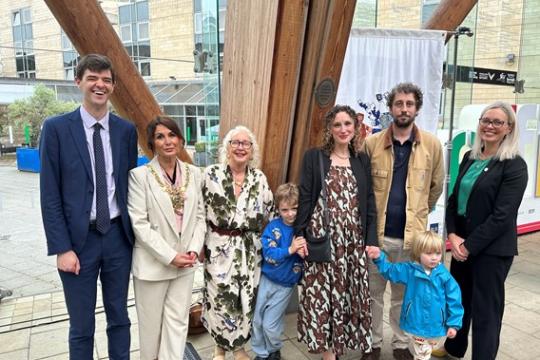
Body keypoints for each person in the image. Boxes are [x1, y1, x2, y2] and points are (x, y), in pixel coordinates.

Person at [40, 54, 138, 360]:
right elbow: (49, 195)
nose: (100, 84)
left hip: (117, 240)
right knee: (81, 326)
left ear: (113, 86)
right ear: (78, 81)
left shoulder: (125, 131)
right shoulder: (56, 128)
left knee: (119, 318)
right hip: (77, 244)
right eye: (93, 78)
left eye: (106, 80)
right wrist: (61, 248)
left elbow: (129, 186)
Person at [432, 101, 528, 359]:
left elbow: (502, 215)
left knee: (487, 310)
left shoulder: (514, 165)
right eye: (486, 120)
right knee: (459, 302)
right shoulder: (469, 157)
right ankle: (454, 347)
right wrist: (453, 236)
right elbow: (453, 201)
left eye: (497, 122)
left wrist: (468, 246)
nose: (490, 126)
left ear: (508, 128)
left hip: (492, 250)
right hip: (462, 243)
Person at [362, 82, 444, 360]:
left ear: (417, 109)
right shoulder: (371, 143)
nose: (404, 108)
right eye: (399, 103)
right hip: (377, 239)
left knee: (401, 297)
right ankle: (372, 345)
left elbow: (435, 186)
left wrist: (419, 214)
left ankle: (399, 344)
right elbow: (363, 190)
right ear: (391, 108)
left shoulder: (431, 144)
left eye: (410, 104)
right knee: (372, 295)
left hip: (412, 242)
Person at [295, 104, 377, 359]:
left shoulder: (361, 159)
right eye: (337, 125)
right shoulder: (314, 156)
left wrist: (371, 239)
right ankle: (329, 354)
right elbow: (306, 197)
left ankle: (339, 348)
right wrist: (299, 234)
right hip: (323, 240)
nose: (343, 129)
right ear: (330, 129)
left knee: (347, 296)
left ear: (356, 127)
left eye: (347, 124)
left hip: (353, 242)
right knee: (324, 298)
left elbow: (369, 201)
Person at [127, 117, 206, 360]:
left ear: (181, 140)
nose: (167, 141)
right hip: (154, 266)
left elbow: (201, 215)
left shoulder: (195, 173)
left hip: (186, 263)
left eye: (172, 135)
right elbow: (139, 224)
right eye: (160, 137)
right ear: (152, 143)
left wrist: (194, 249)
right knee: (151, 330)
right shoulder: (139, 176)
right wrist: (171, 256)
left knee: (178, 325)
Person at [201, 125, 274, 360]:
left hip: (249, 250)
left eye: (246, 144)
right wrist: (199, 245)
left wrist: (271, 243)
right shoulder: (211, 175)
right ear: (227, 148)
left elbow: (270, 214)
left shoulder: (259, 178)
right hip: (218, 247)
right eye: (236, 142)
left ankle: (239, 347)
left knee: (245, 298)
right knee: (219, 298)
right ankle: (220, 346)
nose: (241, 147)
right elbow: (198, 212)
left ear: (252, 151)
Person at [366, 231, 464, 360]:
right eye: (428, 253)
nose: (434, 257)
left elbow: (455, 301)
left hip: (436, 325)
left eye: (438, 253)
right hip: (416, 323)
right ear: (418, 253)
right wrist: (379, 258)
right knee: (422, 352)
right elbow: (391, 271)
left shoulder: (445, 277)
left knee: (425, 350)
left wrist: (453, 324)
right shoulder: (410, 271)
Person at [251, 183, 306, 360]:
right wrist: (290, 250)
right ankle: (261, 353)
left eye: (294, 208)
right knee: (258, 320)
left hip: (285, 285)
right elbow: (269, 254)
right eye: (285, 210)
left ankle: (274, 349)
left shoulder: (303, 228)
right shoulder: (273, 227)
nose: (290, 214)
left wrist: (304, 252)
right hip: (267, 280)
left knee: (270, 324)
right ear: (278, 209)